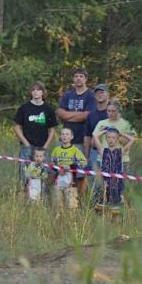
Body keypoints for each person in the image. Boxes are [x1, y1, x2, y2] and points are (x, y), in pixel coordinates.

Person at [56, 68, 97, 197]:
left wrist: (68, 115)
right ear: (73, 79)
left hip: (81, 138)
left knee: (80, 173)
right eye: (76, 76)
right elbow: (60, 113)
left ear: (85, 79)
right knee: (62, 169)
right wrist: (75, 115)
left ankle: (78, 199)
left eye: (81, 76)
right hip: (65, 139)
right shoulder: (68, 95)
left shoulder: (90, 95)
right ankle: (63, 197)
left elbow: (87, 115)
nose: (78, 78)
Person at [13, 81, 57, 182]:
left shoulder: (48, 109)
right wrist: (26, 143)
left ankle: (40, 197)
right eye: (33, 90)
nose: (36, 92)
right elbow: (16, 127)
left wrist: (46, 146)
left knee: (41, 178)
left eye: (38, 90)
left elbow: (52, 130)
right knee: (24, 177)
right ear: (31, 92)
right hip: (27, 147)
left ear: (43, 92)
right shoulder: (24, 108)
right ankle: (23, 195)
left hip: (42, 148)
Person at [92, 98, 136, 172]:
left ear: (118, 111)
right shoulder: (101, 123)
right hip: (103, 159)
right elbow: (93, 144)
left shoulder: (126, 124)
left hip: (122, 160)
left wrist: (116, 133)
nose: (110, 113)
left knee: (121, 183)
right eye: (108, 111)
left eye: (113, 111)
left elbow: (130, 143)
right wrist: (99, 135)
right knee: (100, 183)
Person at [50, 127, 87, 209]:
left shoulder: (75, 150)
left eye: (67, 134)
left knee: (71, 206)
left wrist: (70, 166)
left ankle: (72, 221)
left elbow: (83, 162)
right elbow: (52, 164)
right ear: (60, 137)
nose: (64, 136)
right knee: (57, 205)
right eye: (62, 134)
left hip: (71, 182)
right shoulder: (56, 150)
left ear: (72, 137)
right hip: (58, 181)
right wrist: (57, 169)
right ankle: (57, 220)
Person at [96, 128, 124, 214]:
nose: (111, 139)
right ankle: (101, 220)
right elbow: (95, 136)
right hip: (104, 181)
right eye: (108, 137)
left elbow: (132, 139)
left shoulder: (120, 151)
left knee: (115, 207)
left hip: (116, 182)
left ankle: (115, 222)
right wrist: (105, 131)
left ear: (117, 139)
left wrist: (121, 134)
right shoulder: (103, 151)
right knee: (101, 204)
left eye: (113, 137)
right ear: (106, 138)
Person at [84, 83, 110, 171]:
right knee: (94, 183)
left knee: (110, 183)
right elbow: (87, 137)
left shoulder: (113, 113)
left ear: (108, 95)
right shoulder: (91, 115)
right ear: (94, 96)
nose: (99, 94)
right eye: (97, 93)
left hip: (110, 153)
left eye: (102, 92)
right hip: (94, 153)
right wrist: (86, 158)